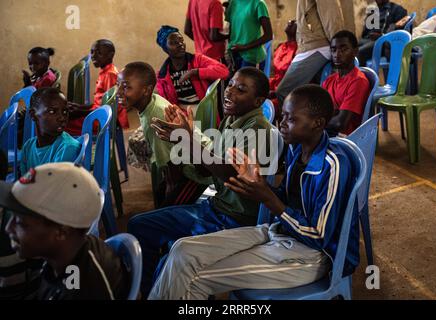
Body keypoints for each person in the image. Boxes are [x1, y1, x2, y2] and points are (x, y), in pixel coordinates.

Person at [148, 84, 358, 300]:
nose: (282, 124)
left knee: (193, 278)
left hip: (312, 255)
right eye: (283, 116)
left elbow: (318, 235)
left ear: (318, 123)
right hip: (279, 231)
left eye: (291, 119)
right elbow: (288, 200)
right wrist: (257, 186)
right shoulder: (297, 148)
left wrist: (266, 196)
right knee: (182, 250)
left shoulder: (332, 165)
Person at [128, 67, 273, 297]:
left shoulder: (258, 130)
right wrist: (186, 138)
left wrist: (188, 141)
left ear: (258, 100)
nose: (230, 92)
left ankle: (159, 291)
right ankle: (147, 292)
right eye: (231, 85)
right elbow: (208, 168)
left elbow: (231, 175)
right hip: (216, 208)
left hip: (235, 220)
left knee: (172, 256)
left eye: (241, 89)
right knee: (139, 225)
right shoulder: (231, 120)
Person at [0, 162, 130, 300]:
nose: (8, 228)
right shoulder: (64, 257)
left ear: (61, 232)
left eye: (21, 223)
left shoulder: (84, 289)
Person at [117, 62, 209, 208]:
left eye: (126, 87)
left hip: (198, 171)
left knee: (169, 207)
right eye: (118, 85)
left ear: (146, 90)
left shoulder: (154, 119)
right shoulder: (152, 101)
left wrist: (170, 195)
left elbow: (173, 168)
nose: (119, 92)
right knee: (160, 193)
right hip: (189, 159)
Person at [275, 0, 345, 107]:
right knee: (313, 94)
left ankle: (296, 122)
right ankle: (306, 121)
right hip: (308, 45)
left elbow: (332, 19)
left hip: (317, 45)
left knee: (284, 91)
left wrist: (338, 48)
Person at [155, 25, 229, 114]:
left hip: (203, 111)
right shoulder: (162, 76)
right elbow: (168, 104)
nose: (180, 44)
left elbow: (224, 71)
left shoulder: (197, 60)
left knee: (201, 127)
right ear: (165, 48)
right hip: (182, 114)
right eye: (174, 43)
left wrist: (194, 72)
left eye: (181, 40)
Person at [66, 39, 129, 136]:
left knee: (64, 124)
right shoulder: (105, 72)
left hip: (104, 121)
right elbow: (99, 103)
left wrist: (80, 112)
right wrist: (79, 107)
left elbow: (107, 108)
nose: (93, 56)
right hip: (100, 115)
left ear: (110, 55)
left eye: (99, 53)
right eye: (92, 52)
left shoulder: (110, 75)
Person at [20, 88, 81, 175]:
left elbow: (54, 186)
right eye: (52, 111)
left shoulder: (67, 148)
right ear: (33, 115)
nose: (62, 118)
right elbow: (24, 182)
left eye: (64, 112)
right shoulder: (28, 147)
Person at [322, 31, 370, 136]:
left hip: (344, 138)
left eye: (344, 49)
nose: (337, 54)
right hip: (325, 132)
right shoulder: (329, 81)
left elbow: (340, 123)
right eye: (333, 50)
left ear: (355, 51)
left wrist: (312, 123)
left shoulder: (358, 81)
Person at [225, 0, 273, 71]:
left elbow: (268, 35)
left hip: (251, 56)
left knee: (249, 81)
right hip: (234, 54)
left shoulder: (259, 4)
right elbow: (231, 29)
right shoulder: (233, 3)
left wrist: (245, 47)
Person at [358, 0, 408, 66]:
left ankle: (361, 76)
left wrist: (382, 35)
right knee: (351, 47)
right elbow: (366, 32)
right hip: (371, 39)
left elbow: (399, 33)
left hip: (385, 43)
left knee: (360, 52)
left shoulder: (397, 9)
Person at [268, 19, 298, 118]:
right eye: (290, 20)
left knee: (265, 106)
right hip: (273, 83)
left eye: (295, 22)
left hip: (286, 90)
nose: (290, 21)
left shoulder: (298, 50)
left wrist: (274, 92)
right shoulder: (281, 46)